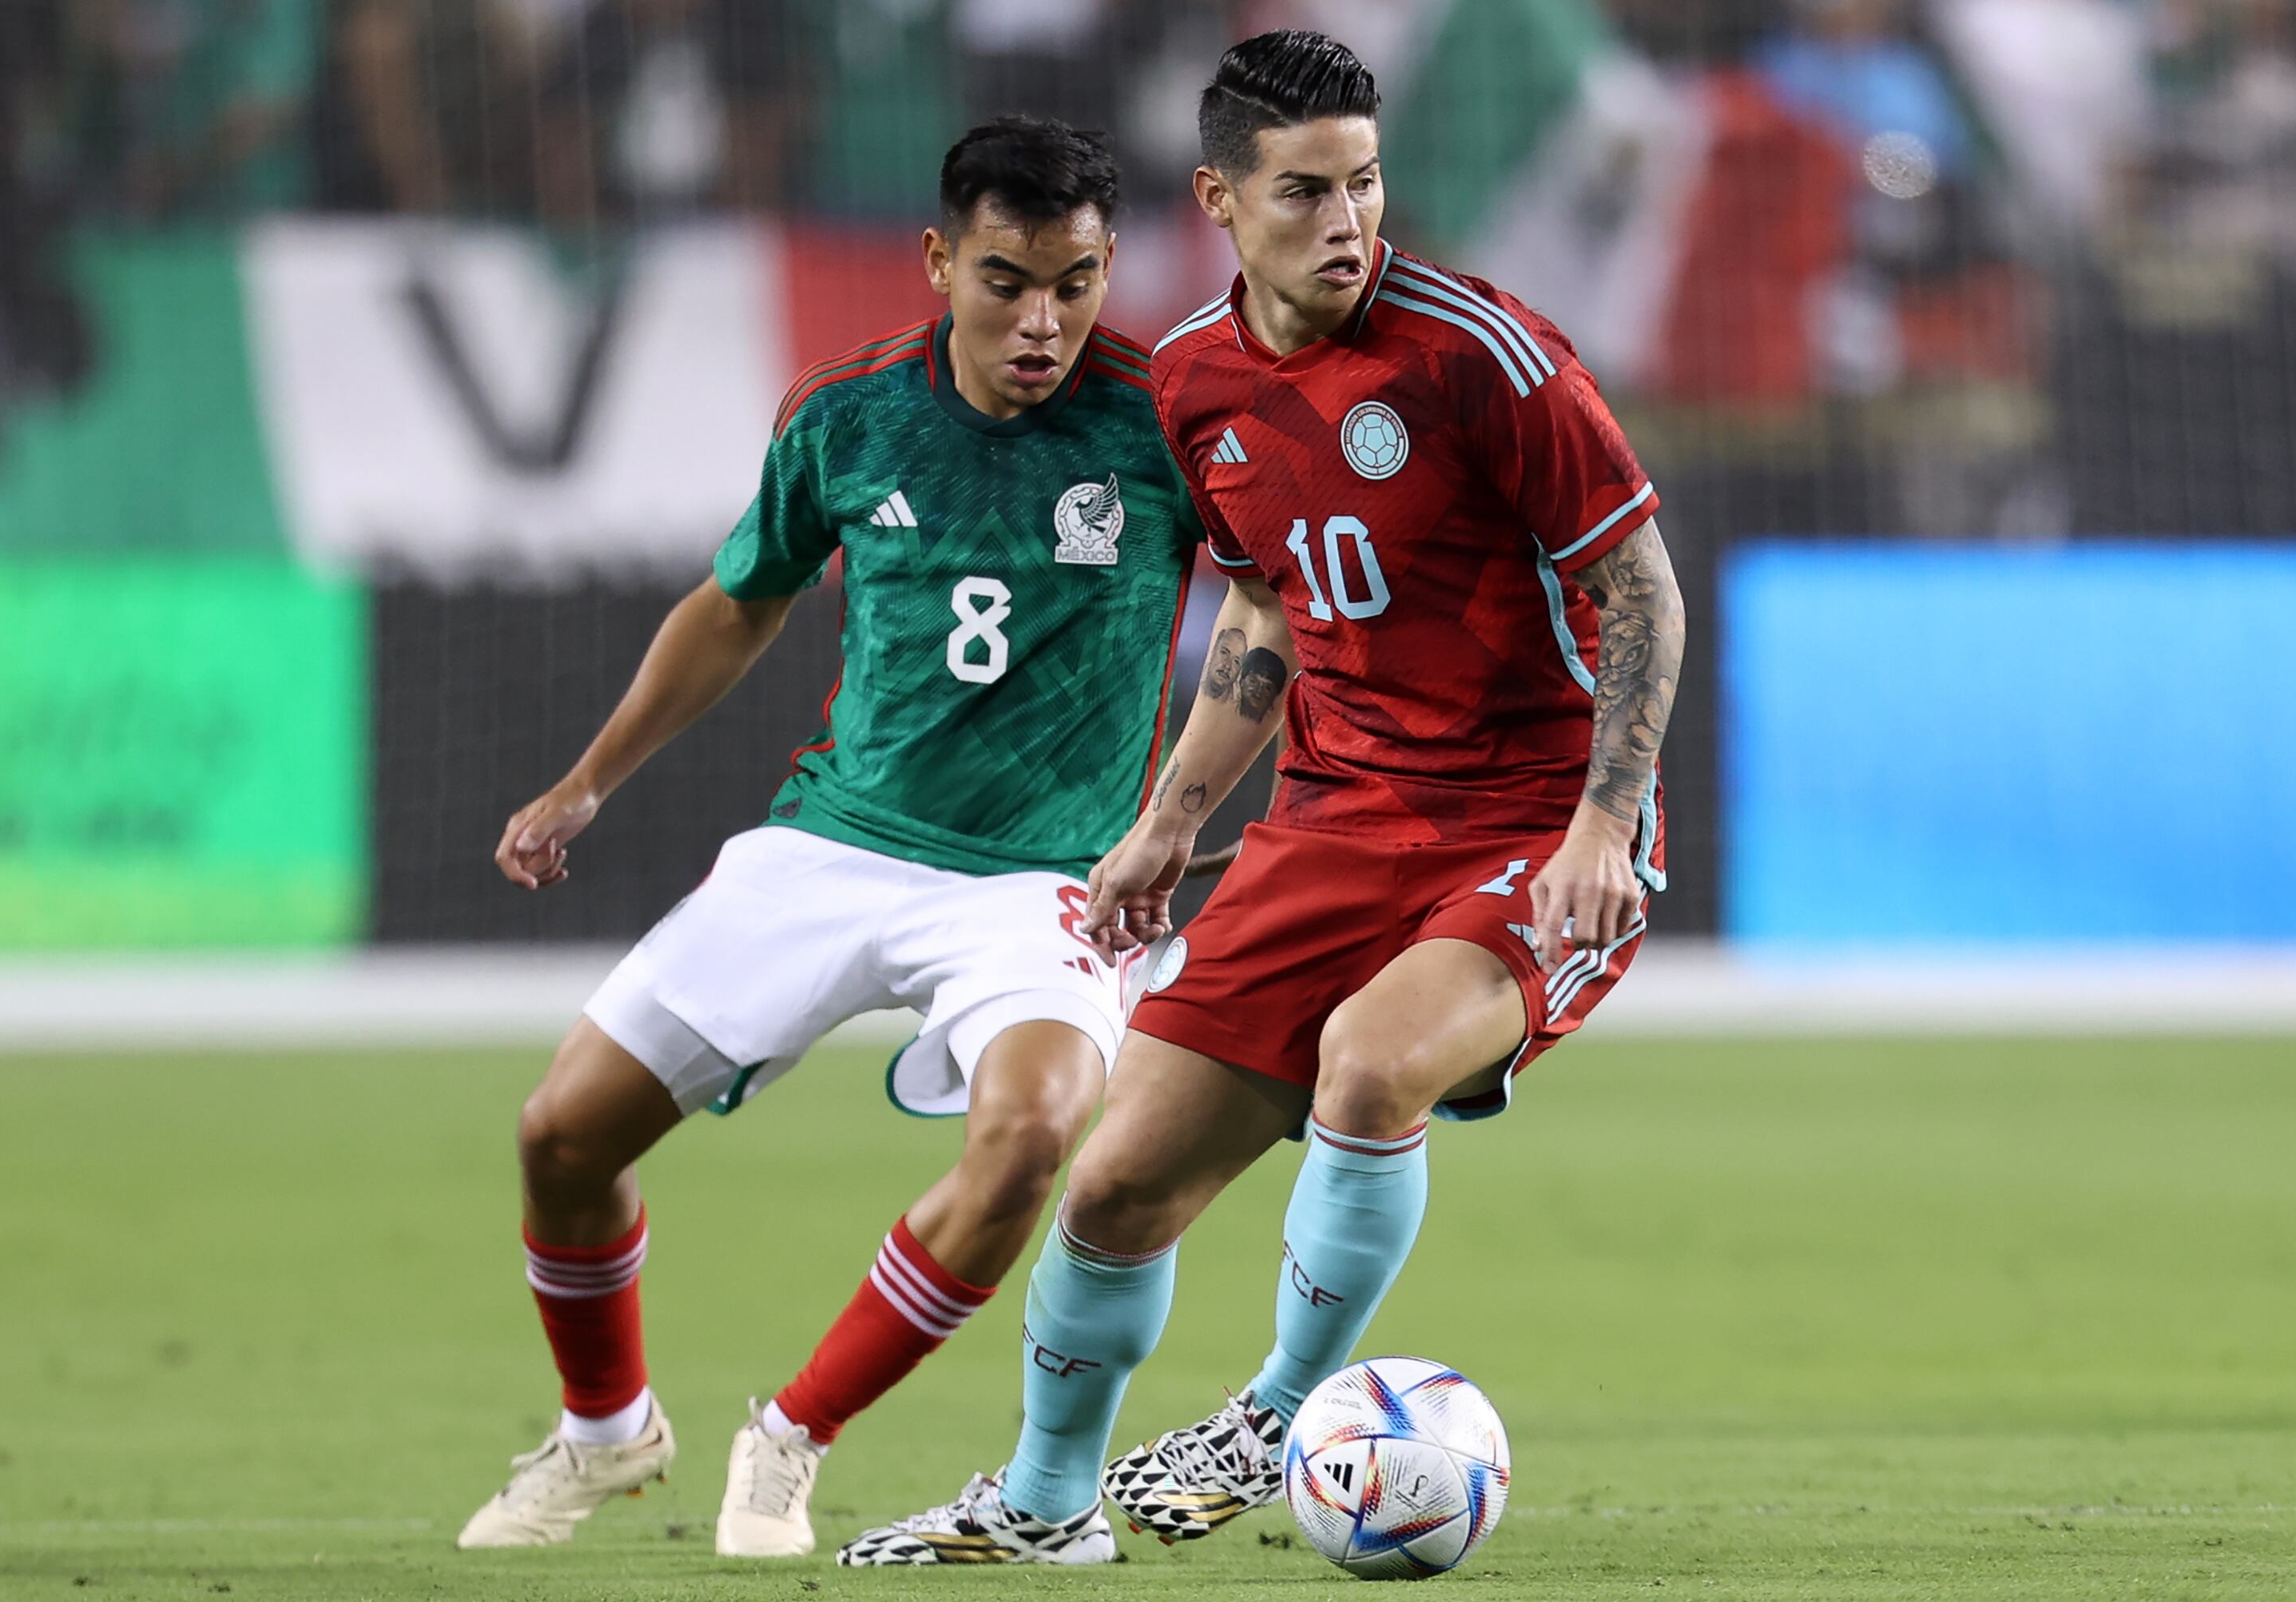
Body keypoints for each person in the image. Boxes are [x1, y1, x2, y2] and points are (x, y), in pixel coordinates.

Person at [840, 30, 1685, 1567]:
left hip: (1529, 822)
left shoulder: (1487, 359)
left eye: (1366, 183)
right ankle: (1042, 1508)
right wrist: (1169, 821)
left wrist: (1604, 828)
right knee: (1110, 1187)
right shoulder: (1193, 384)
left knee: (1372, 1067)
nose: (1349, 220)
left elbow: (1640, 586)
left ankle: (1280, 1410)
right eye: (1306, 191)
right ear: (1220, 199)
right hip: (1333, 820)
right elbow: (1263, 613)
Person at [455, 115, 1199, 1560]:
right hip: (837, 846)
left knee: (1033, 1135)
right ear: (938, 261)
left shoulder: (1167, 418)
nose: (1042, 321)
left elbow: (1284, 609)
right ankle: (607, 1433)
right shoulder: (849, 413)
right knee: (560, 1134)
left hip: (1051, 876)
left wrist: (1183, 818)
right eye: (1005, 281)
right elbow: (741, 601)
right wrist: (586, 782)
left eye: (1077, 281)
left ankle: (790, 1436)